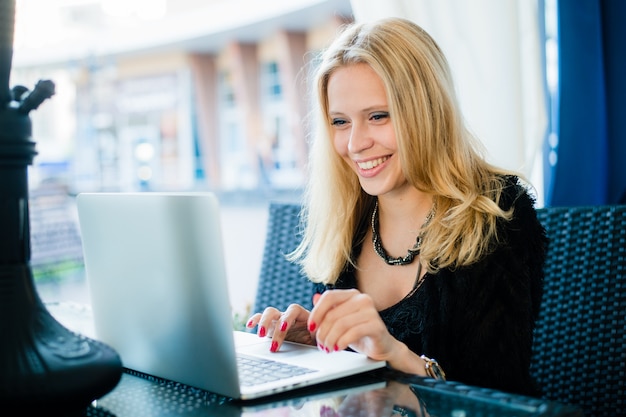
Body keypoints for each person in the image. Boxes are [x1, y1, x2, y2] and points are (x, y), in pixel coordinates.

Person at [246, 17, 547, 396]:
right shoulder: (346, 220)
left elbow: (499, 394)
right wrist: (320, 344)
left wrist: (393, 353)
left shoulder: (498, 213)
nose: (355, 143)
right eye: (340, 121)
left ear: (426, 111)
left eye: (377, 116)